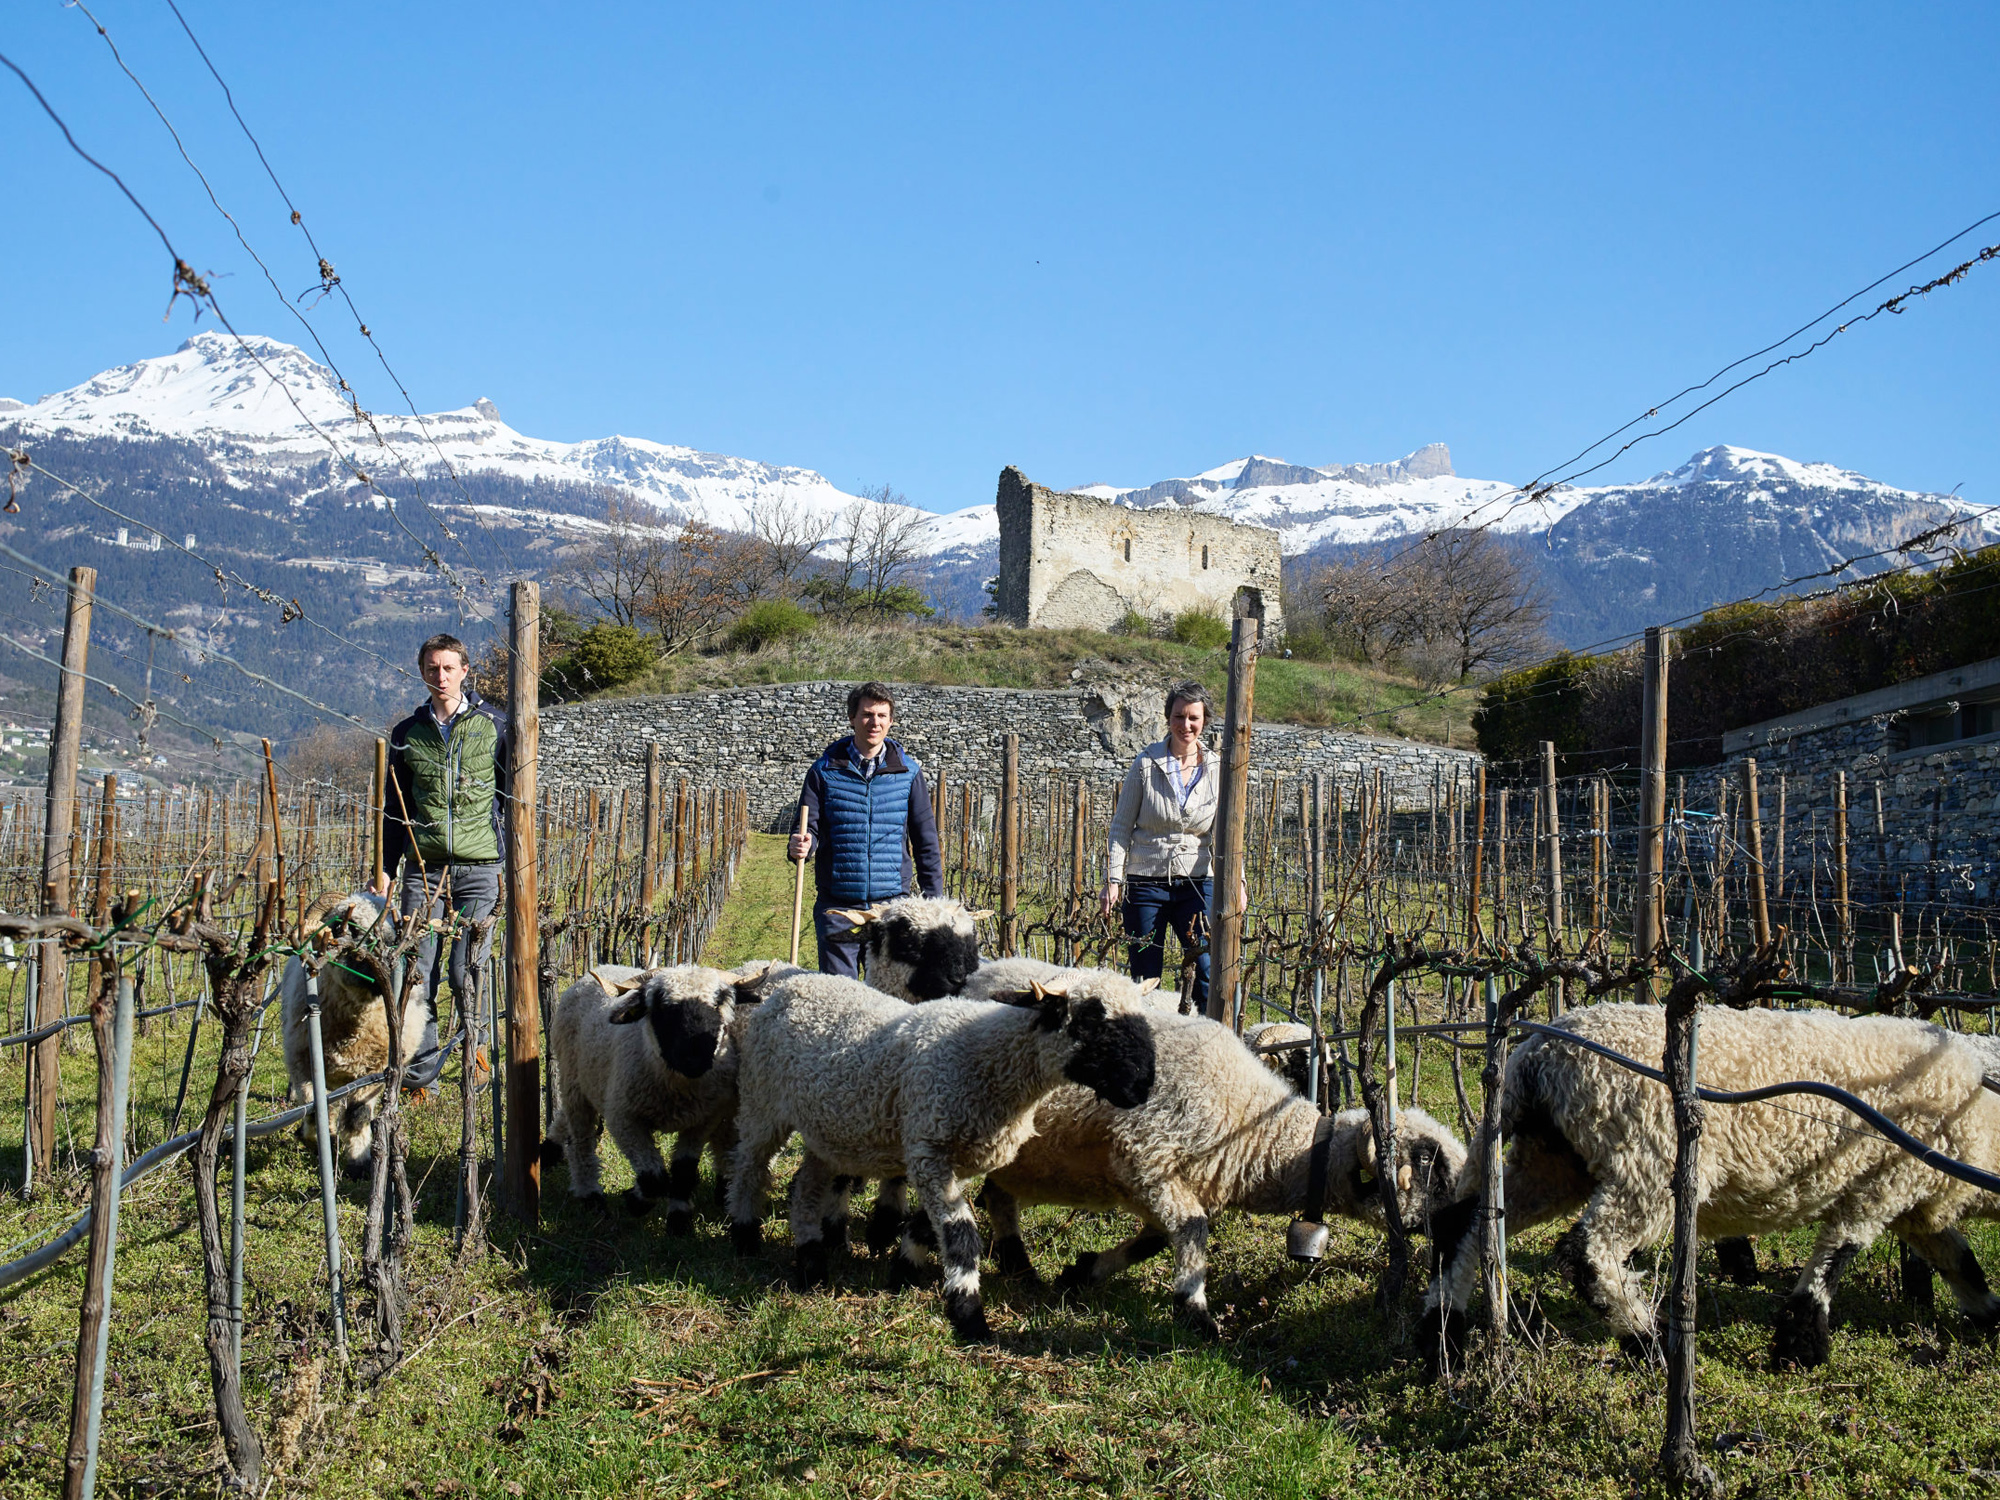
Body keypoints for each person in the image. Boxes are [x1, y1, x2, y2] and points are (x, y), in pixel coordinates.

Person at [378, 632, 508, 1081]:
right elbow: (394, 809)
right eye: (432, 668)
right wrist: (385, 869)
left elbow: (512, 795)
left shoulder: (496, 725)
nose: (440, 676)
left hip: (480, 867)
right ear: (422, 672)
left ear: (465, 671)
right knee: (418, 971)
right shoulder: (405, 734)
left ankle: (477, 1057)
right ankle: (420, 1076)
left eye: (448, 668)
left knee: (466, 970)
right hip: (424, 867)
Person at [789, 682, 944, 976]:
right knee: (840, 1002)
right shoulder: (823, 772)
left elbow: (926, 842)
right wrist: (801, 845)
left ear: (891, 720)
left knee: (889, 1000)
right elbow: (807, 829)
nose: (875, 723)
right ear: (852, 718)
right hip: (838, 908)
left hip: (891, 908)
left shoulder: (908, 774)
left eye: (882, 716)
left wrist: (933, 902)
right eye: (867, 714)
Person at [1100, 681, 1220, 1012]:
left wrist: (1236, 879)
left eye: (1193, 718)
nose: (1186, 725)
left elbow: (1224, 834)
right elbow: (1121, 828)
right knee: (1144, 977)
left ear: (1204, 721)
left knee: (1207, 971)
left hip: (1197, 883)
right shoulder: (1146, 763)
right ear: (1168, 718)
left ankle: (1205, 1048)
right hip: (1145, 884)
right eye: (1179, 716)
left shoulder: (1216, 768)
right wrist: (1113, 879)